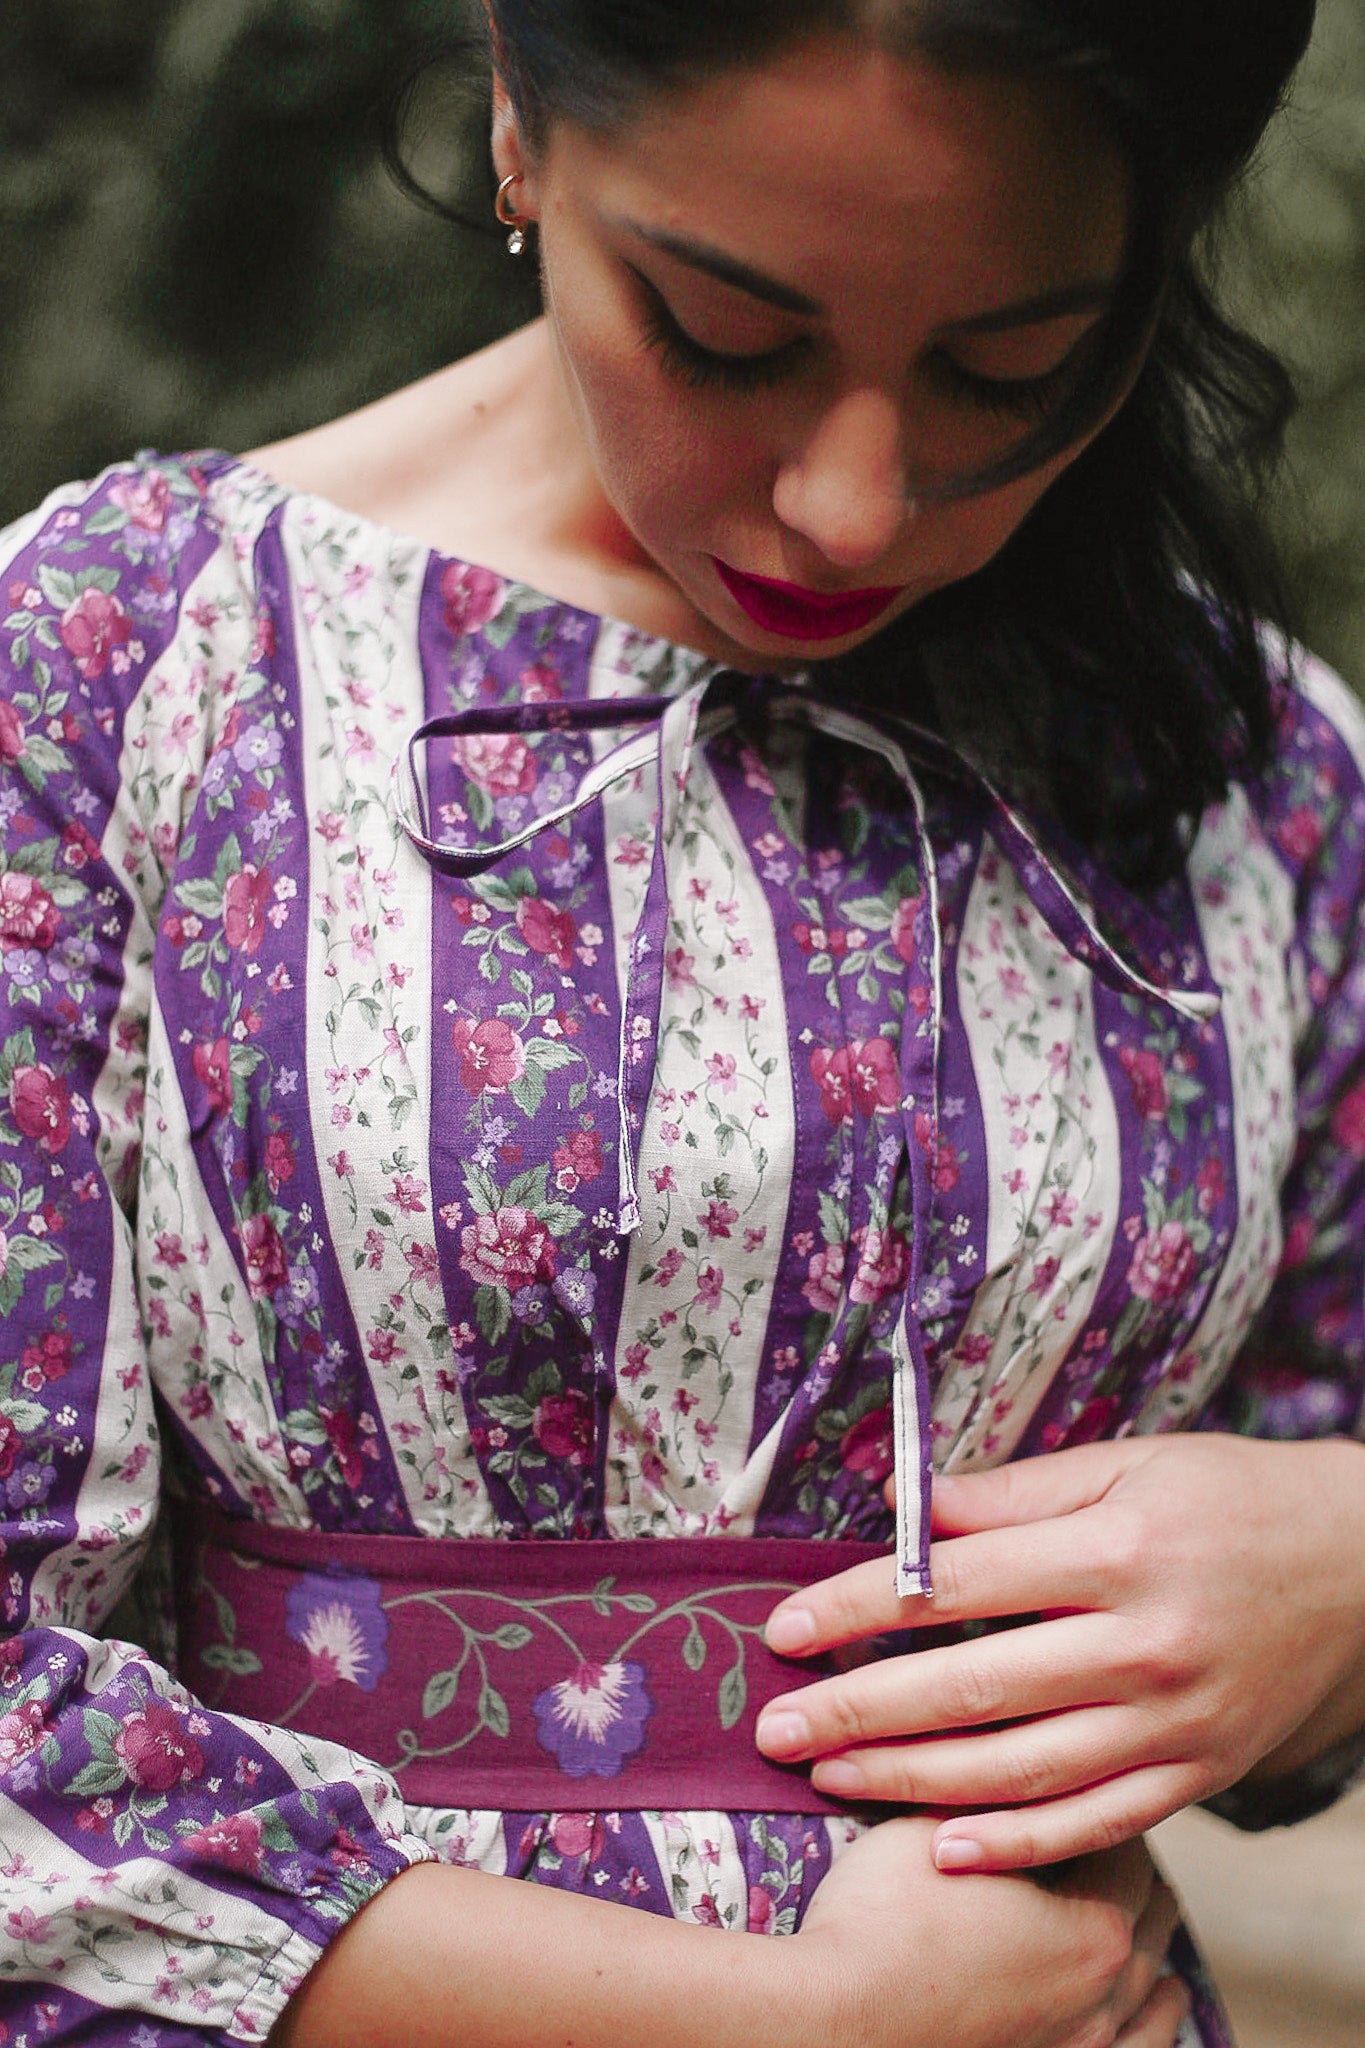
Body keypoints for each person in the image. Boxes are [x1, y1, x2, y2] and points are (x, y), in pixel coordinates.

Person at [1, 2, 1363, 2044]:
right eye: (726, 335)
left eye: (1008, 367)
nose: (851, 503)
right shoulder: (122, 671)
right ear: (518, 112)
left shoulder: (1261, 776)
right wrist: (800, 2029)